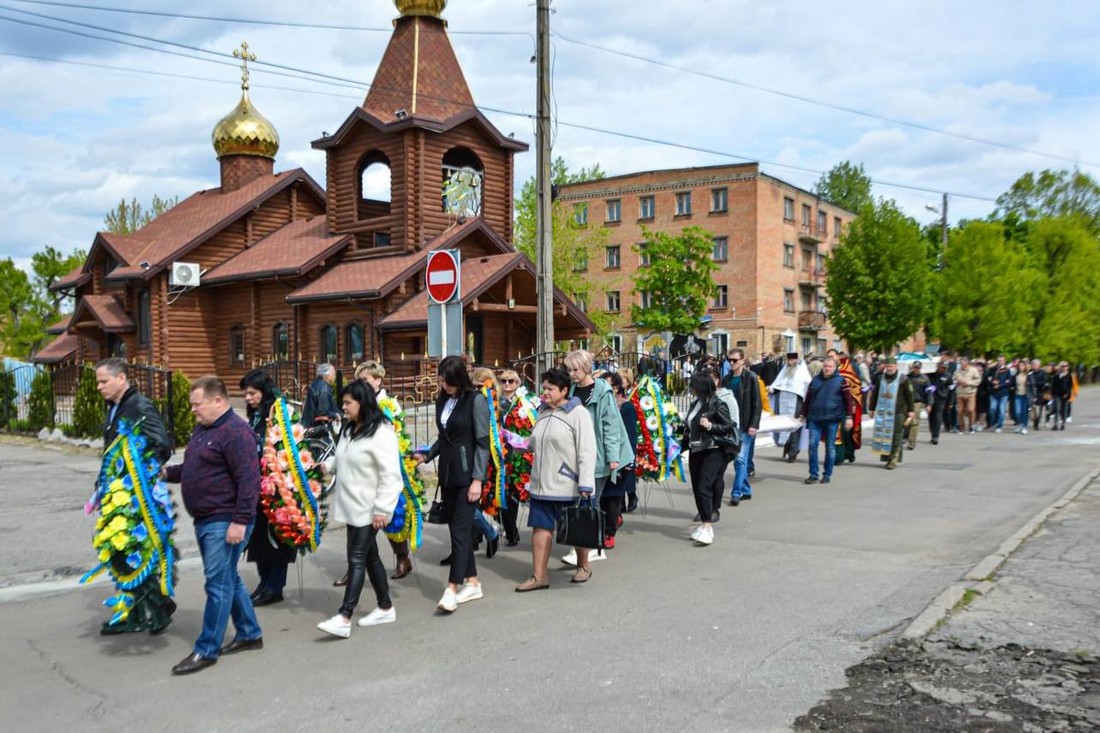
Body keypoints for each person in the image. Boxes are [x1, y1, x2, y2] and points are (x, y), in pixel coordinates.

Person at [163, 376, 262, 676]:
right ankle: (249, 632)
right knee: (228, 578)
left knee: (217, 584)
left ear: (218, 401)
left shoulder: (236, 432)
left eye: (197, 404)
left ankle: (206, 649)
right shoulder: (204, 429)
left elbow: (249, 481)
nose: (193, 410)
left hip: (225, 519)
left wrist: (240, 522)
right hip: (207, 519)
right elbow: (195, 468)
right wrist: (166, 473)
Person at [93, 357, 176, 635]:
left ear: (121, 378)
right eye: (98, 382)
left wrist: (135, 478)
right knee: (122, 551)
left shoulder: (139, 406)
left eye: (103, 381)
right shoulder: (115, 408)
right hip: (116, 495)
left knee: (133, 551)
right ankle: (140, 611)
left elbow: (162, 445)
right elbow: (111, 454)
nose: (99, 387)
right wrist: (102, 485)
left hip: (135, 497)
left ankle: (157, 606)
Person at [316, 381, 403, 638]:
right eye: (342, 403)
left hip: (370, 508)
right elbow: (345, 457)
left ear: (362, 402)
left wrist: (382, 509)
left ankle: (344, 616)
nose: (343, 407)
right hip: (351, 506)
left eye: (347, 403)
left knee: (355, 558)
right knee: (369, 557)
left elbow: (391, 475)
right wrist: (327, 465)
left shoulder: (382, 432)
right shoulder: (349, 428)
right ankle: (385, 606)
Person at [413, 356, 490, 613]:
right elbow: (444, 438)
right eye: (441, 380)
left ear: (460, 378)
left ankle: (452, 588)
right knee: (457, 531)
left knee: (460, 531)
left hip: (468, 475)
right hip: (447, 473)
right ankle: (473, 582)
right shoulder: (443, 400)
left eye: (448, 381)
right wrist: (427, 455)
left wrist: (477, 480)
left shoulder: (475, 400)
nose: (444, 385)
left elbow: (482, 443)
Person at [516, 367, 596, 591]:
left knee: (575, 526)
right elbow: (535, 442)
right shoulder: (542, 412)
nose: (545, 392)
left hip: (566, 484)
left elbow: (587, 450)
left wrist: (586, 483)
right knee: (540, 528)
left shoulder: (577, 414)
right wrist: (518, 444)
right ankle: (539, 576)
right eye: (544, 388)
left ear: (563, 390)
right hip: (541, 484)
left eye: (550, 389)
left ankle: (584, 566)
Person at [560, 350, 633, 567]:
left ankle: (590, 547)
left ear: (586, 368)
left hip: (598, 454)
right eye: (569, 369)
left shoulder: (602, 391)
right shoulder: (571, 390)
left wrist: (612, 458)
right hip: (578, 454)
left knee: (590, 501)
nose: (571, 374)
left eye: (575, 369)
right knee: (583, 501)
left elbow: (611, 425)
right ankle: (586, 546)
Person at [345, 360, 413, 582]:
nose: (362, 384)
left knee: (391, 518)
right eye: (359, 380)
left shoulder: (389, 405)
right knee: (357, 521)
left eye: (366, 380)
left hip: (383, 470)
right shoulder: (357, 404)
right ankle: (355, 565)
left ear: (378, 380)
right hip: (361, 474)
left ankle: (402, 557)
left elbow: (396, 437)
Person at [240, 368, 295, 606]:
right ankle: (265, 583)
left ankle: (275, 586)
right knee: (260, 539)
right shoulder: (255, 416)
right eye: (246, 394)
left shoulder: (278, 414)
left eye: (252, 393)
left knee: (276, 539)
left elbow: (289, 447)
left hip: (277, 487)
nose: (248, 398)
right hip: (257, 487)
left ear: (263, 391)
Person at [683, 372, 737, 546]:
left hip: (713, 450)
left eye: (693, 385)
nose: (691, 388)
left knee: (704, 486)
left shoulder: (717, 403)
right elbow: (689, 424)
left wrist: (710, 426)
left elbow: (729, 426)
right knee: (697, 487)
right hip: (695, 449)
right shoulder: (695, 403)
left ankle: (708, 526)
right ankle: (704, 524)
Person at [800, 356, 856, 485]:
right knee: (813, 445)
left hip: (832, 419)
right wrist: (803, 414)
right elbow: (808, 399)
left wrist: (848, 417)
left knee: (830, 447)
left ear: (835, 367)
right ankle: (813, 474)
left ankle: (827, 474)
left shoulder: (841, 381)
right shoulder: (815, 381)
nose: (827, 369)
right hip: (815, 418)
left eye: (830, 366)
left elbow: (848, 400)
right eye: (825, 366)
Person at [599, 371, 637, 549]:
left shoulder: (625, 406)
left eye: (610, 386)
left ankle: (609, 532)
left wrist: (629, 462)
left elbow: (630, 436)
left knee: (614, 498)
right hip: (600, 459)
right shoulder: (596, 405)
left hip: (620, 460)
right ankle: (609, 523)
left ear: (616, 388)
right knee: (601, 499)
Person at [721, 347, 762, 505]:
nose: (731, 363)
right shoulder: (726, 379)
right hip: (730, 425)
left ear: (743, 361)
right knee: (739, 460)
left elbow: (756, 403)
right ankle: (746, 489)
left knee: (740, 459)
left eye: (735, 360)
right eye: (729, 360)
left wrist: (754, 424)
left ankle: (736, 492)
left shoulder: (750, 377)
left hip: (745, 425)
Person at [869, 358, 916, 470]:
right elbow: (875, 394)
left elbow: (909, 395)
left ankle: (893, 459)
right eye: (888, 366)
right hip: (883, 411)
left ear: (896, 366)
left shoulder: (903, 379)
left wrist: (911, 410)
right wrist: (872, 408)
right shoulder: (880, 378)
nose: (889, 368)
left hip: (898, 411)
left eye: (891, 366)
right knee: (884, 435)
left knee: (896, 436)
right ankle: (886, 457)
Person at [497, 369, 524, 546]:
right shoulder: (496, 402)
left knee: (513, 494)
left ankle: (511, 531)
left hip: (517, 454)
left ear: (517, 383)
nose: (507, 384)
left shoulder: (524, 404)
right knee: (501, 494)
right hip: (499, 452)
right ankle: (509, 529)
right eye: (504, 381)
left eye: (511, 381)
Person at [769, 353, 811, 463]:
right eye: (789, 360)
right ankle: (786, 448)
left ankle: (793, 451)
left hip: (797, 402)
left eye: (792, 360)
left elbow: (806, 387)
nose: (790, 362)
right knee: (785, 425)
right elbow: (778, 384)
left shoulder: (802, 372)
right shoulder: (784, 371)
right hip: (782, 401)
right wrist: (773, 389)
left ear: (797, 360)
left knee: (794, 426)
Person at [301, 363, 340, 428]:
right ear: (326, 375)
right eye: (333, 373)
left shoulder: (317, 383)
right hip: (318, 427)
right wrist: (336, 415)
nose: (335, 375)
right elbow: (323, 411)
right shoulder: (323, 389)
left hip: (310, 424)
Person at [905, 362, 930, 450]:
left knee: (914, 422)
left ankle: (912, 442)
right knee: (906, 420)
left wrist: (929, 404)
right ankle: (905, 437)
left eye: (918, 368)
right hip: (906, 402)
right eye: (915, 367)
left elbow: (929, 392)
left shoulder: (924, 378)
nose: (916, 369)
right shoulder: (907, 377)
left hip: (917, 402)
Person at [927, 361, 953, 444]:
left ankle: (936, 436)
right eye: (942, 367)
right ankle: (932, 433)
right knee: (931, 417)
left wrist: (951, 401)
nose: (943, 369)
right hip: (931, 398)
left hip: (941, 398)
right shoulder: (931, 374)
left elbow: (951, 389)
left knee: (938, 416)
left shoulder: (948, 376)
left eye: (945, 368)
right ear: (937, 367)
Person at [954, 357, 981, 434]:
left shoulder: (973, 370)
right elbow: (953, 379)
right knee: (960, 411)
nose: (961, 365)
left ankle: (971, 426)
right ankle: (961, 427)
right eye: (960, 363)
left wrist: (968, 383)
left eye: (963, 363)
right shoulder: (957, 371)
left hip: (970, 393)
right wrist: (958, 381)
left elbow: (978, 380)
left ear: (967, 363)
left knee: (971, 410)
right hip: (960, 393)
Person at [986, 356, 1013, 433]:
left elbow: (1009, 382)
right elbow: (988, 379)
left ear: (1004, 361)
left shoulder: (1007, 371)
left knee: (1001, 410)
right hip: (993, 392)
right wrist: (992, 382)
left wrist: (1000, 385)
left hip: (1003, 393)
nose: (1000, 362)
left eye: (1001, 360)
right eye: (999, 360)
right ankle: (993, 421)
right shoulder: (992, 370)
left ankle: (999, 425)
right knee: (992, 409)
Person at [1050, 362, 1073, 431]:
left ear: (1068, 367)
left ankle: (1063, 424)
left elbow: (1070, 386)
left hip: (1065, 395)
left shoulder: (1069, 376)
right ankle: (1055, 424)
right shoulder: (1057, 375)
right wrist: (1052, 393)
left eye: (1065, 366)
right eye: (1062, 366)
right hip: (1057, 394)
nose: (1064, 367)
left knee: (1064, 410)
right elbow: (1053, 385)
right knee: (1057, 409)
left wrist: (1067, 393)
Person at [1013, 361, 1031, 434]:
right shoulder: (1016, 375)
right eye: (1019, 366)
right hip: (1017, 394)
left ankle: (1024, 426)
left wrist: (1033, 395)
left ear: (1025, 367)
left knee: (1024, 412)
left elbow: (1031, 385)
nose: (1020, 367)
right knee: (1017, 411)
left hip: (1025, 395)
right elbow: (1012, 383)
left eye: (1022, 366)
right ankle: (1020, 424)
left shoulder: (1028, 375)